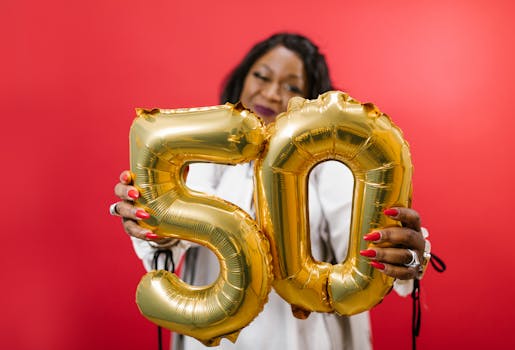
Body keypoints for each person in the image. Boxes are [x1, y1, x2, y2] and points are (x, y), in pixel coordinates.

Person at [111, 33, 430, 350]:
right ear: (243, 78)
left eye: (292, 86)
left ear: (309, 99)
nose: (273, 93)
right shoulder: (203, 158)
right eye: (262, 76)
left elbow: (363, 246)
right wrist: (153, 222)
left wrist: (404, 253)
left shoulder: (330, 170)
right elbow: (175, 241)